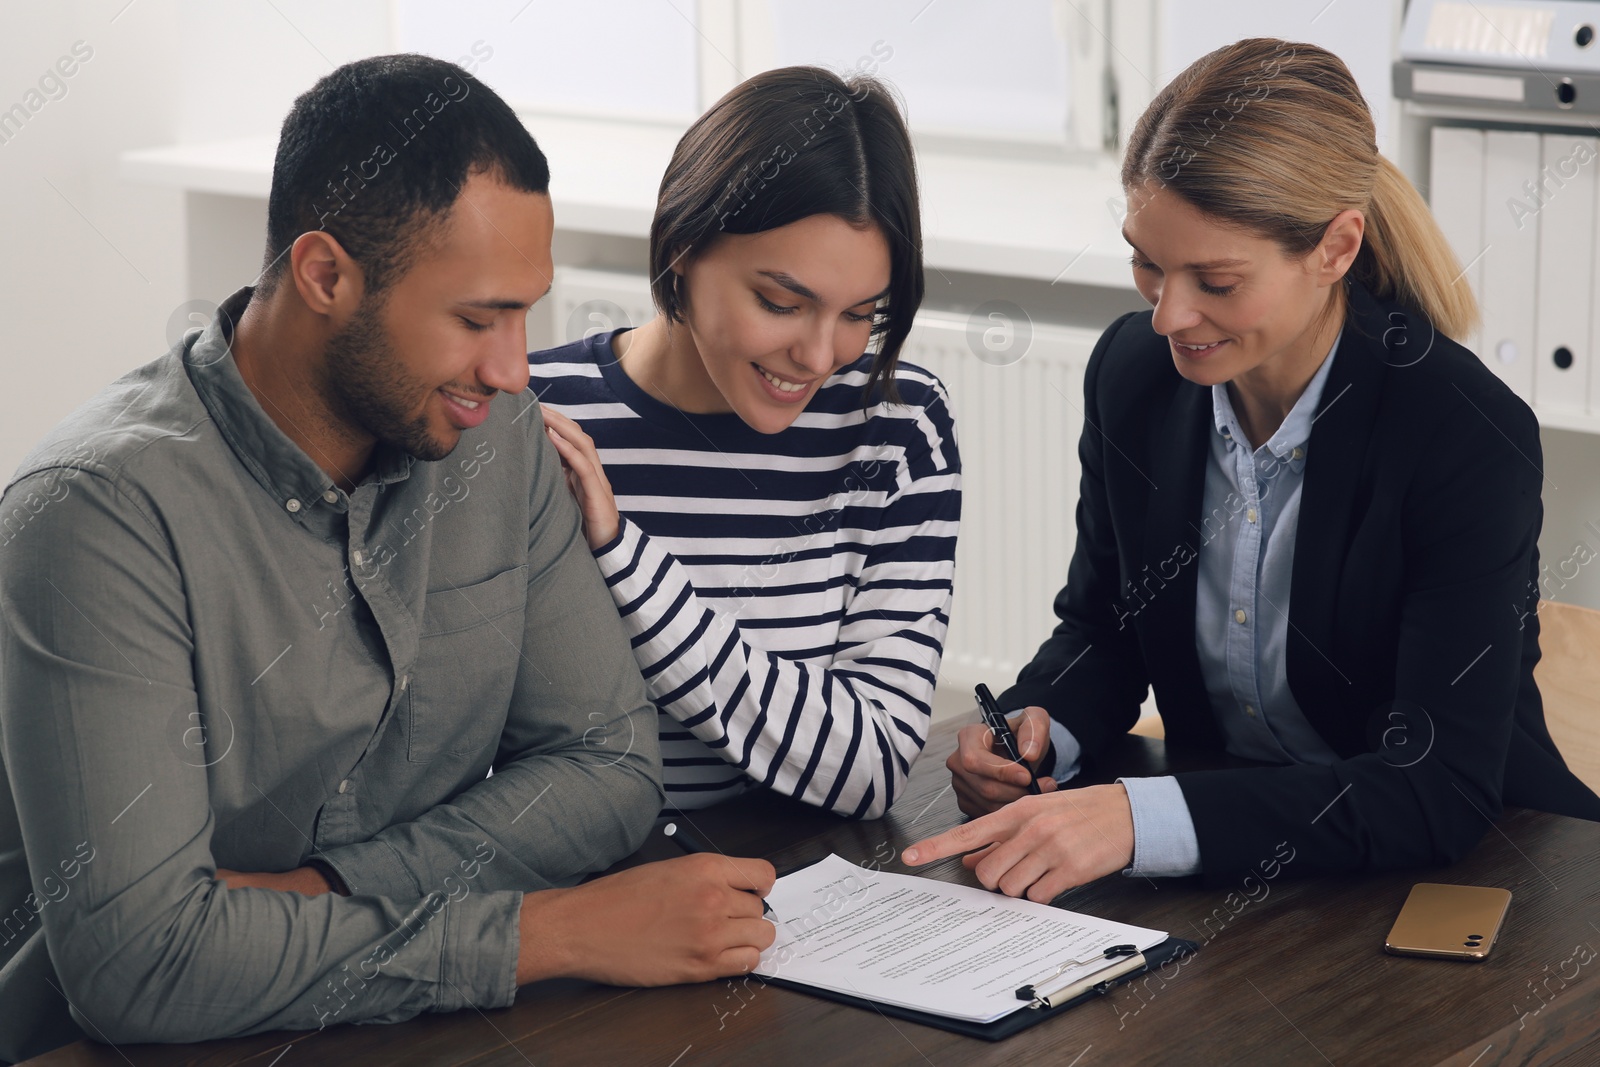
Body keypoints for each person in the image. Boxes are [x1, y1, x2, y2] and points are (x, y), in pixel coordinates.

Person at [0, 55, 773, 1062]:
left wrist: (324, 891)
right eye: (475, 317)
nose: (511, 367)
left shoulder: (497, 444)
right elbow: (144, 964)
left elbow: (610, 767)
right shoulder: (94, 517)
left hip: (404, 1027)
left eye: (525, 312)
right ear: (326, 275)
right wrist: (548, 931)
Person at [905, 38, 1600, 899]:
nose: (1168, 315)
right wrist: (1038, 727)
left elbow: (1436, 786)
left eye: (1216, 280)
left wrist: (1137, 820)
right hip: (1243, 877)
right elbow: (1106, 629)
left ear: (1337, 248)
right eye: (1148, 264)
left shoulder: (1462, 433)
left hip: (1476, 878)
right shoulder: (1134, 377)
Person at [532, 66, 960, 820]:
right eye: (781, 302)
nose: (821, 354)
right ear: (682, 250)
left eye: (863, 312)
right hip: (586, 895)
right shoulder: (538, 420)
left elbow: (871, 765)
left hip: (795, 894)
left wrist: (624, 560)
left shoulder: (898, 424)